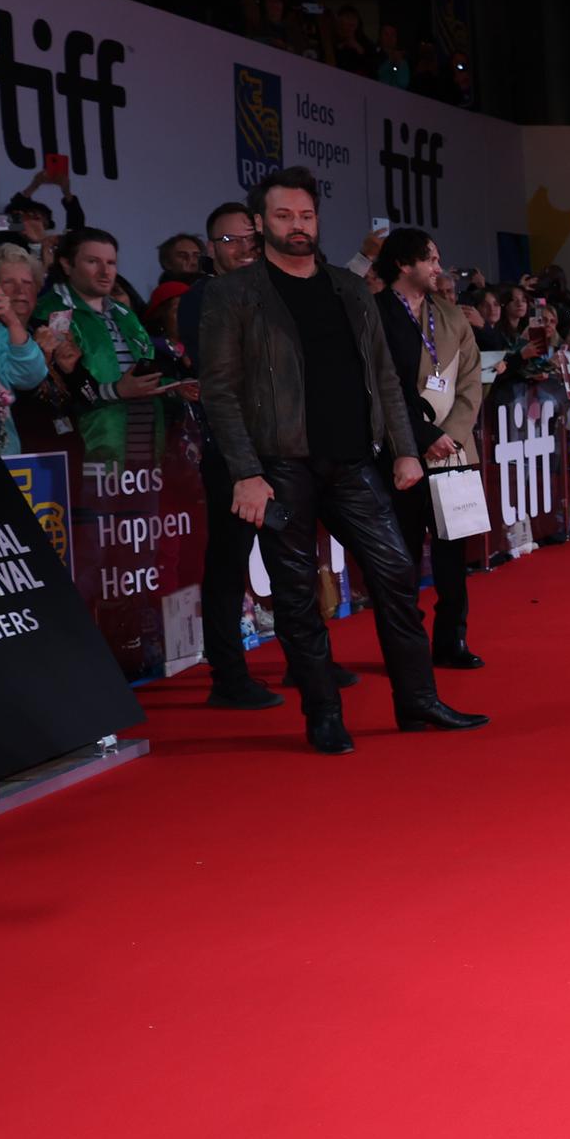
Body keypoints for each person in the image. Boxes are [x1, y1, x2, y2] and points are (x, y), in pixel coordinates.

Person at [197, 166, 486, 753]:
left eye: (305, 215)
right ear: (259, 224)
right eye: (283, 216)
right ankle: (323, 711)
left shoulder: (349, 288)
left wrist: (406, 450)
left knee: (398, 574)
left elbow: (383, 375)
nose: (297, 226)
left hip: (354, 462)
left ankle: (418, 700)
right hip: (279, 466)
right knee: (296, 589)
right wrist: (246, 473)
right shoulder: (233, 295)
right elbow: (220, 390)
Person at [175, 198, 283, 709]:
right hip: (233, 455)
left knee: (289, 555)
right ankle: (228, 675)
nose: (241, 248)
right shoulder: (203, 299)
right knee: (228, 559)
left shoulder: (277, 292)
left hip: (281, 451)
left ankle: (305, 658)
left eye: (249, 238)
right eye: (228, 240)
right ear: (209, 251)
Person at [373, 228, 486, 670]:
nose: (439, 268)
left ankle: (452, 639)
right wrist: (422, 436)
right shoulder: (375, 312)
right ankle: (406, 645)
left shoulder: (450, 313)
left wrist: (453, 433)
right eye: (431, 260)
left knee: (452, 553)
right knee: (399, 554)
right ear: (404, 264)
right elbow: (379, 385)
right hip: (400, 448)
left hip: (453, 452)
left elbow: (472, 378)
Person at [32, 227, 186, 466]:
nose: (106, 272)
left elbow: (144, 375)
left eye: (111, 263)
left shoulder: (125, 313)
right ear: (66, 264)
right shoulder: (52, 312)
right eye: (93, 261)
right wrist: (116, 390)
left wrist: (174, 388)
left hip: (145, 449)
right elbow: (58, 392)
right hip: (91, 453)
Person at [0, 241, 51, 456]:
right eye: (8, 282)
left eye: (27, 282)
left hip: (30, 458)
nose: (20, 290)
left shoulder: (50, 329)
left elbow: (30, 377)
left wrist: (14, 324)